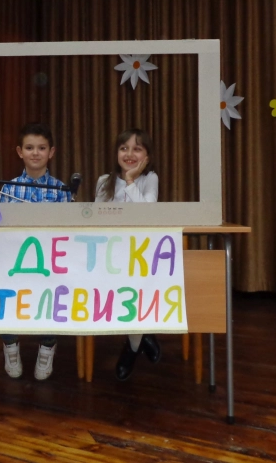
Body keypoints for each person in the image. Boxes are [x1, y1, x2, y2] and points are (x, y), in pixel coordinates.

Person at [0, 122, 71, 380]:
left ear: (51, 152)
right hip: (15, 262)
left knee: (57, 294)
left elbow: (70, 231)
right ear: (20, 152)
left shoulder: (62, 190)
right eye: (29, 148)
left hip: (50, 263)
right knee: (1, 290)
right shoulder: (8, 188)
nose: (35, 153)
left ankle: (47, 346)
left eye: (41, 148)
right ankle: (10, 344)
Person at [94, 128, 161, 381]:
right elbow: (96, 219)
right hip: (109, 255)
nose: (129, 154)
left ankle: (131, 348)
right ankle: (141, 337)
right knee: (120, 290)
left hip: (141, 255)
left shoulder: (150, 179)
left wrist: (131, 180)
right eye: (124, 148)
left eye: (137, 149)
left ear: (147, 156)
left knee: (134, 290)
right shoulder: (104, 181)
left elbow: (148, 213)